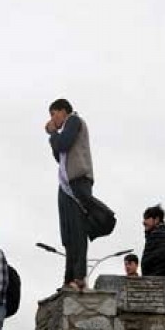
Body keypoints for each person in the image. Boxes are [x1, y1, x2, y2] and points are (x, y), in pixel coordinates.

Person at [45, 98, 115, 291]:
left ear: (63, 111)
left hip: (78, 181)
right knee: (67, 233)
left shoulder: (74, 121)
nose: (52, 119)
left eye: (53, 114)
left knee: (78, 230)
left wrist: (52, 133)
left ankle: (79, 275)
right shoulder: (65, 128)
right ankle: (68, 277)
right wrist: (54, 137)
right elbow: (58, 155)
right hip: (66, 183)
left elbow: (63, 144)